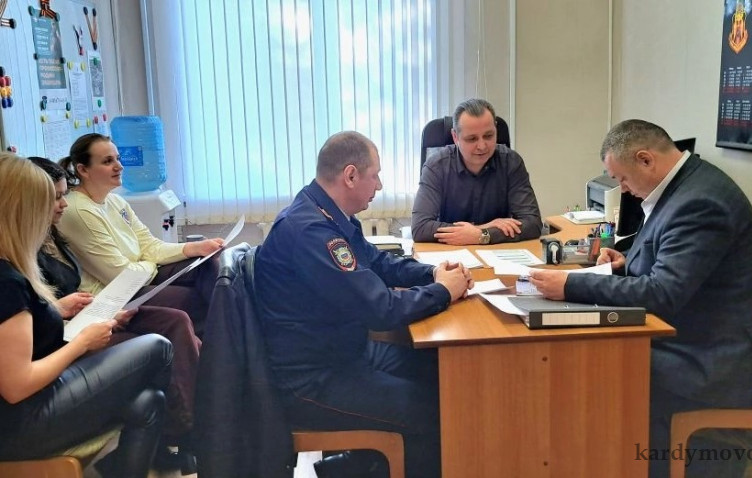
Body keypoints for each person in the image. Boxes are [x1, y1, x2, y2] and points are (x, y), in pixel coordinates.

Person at [529, 119, 752, 477]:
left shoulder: (701, 202)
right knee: (599, 364)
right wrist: (624, 263)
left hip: (719, 358)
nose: (623, 189)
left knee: (604, 370)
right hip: (696, 337)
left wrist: (570, 285)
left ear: (645, 160)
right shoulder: (684, 185)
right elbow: (669, 264)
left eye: (622, 179)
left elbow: (663, 293)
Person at [254, 131, 473, 478]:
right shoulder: (312, 232)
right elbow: (381, 310)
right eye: (376, 175)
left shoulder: (328, 214)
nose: (380, 185)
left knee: (443, 373)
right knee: (433, 410)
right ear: (351, 175)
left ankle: (360, 466)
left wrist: (433, 273)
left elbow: (379, 263)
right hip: (313, 380)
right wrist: (443, 292)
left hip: (344, 353)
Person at [0, 153, 173, 478]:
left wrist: (56, 311)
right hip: (18, 423)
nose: (57, 210)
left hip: (26, 410)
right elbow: (17, 385)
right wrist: (82, 342)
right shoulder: (6, 280)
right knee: (158, 347)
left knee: (149, 401)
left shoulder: (11, 273)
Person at [55, 133, 223, 337]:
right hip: (114, 293)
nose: (119, 166)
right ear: (83, 170)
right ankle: (223, 343)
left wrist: (195, 248)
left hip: (139, 276)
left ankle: (232, 335)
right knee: (192, 299)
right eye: (108, 161)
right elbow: (121, 275)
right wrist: (150, 264)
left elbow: (149, 245)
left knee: (208, 265)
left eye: (118, 158)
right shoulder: (78, 210)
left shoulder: (116, 201)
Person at [411, 98, 543, 245]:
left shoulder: (511, 162)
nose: (482, 146)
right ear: (455, 137)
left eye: (488, 136)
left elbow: (533, 223)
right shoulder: (437, 166)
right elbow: (420, 228)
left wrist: (482, 235)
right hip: (450, 252)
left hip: (498, 252)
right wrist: (481, 230)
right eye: (472, 139)